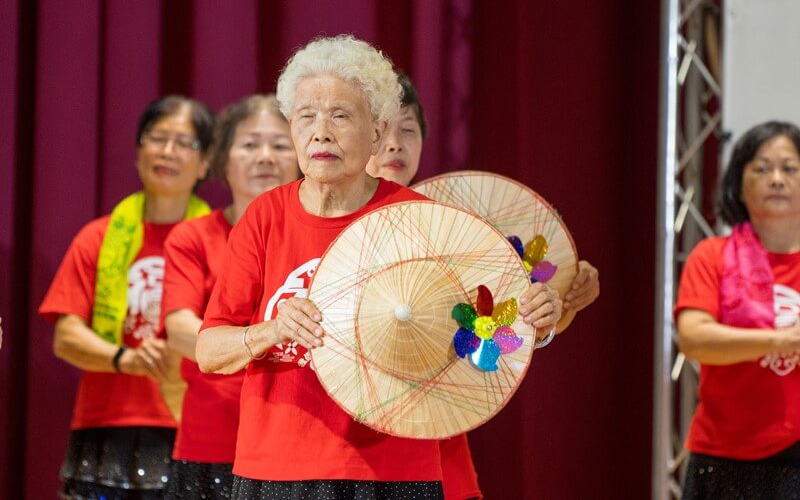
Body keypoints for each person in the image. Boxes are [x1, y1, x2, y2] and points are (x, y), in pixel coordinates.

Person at [195, 35, 564, 500]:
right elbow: (209, 350)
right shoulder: (265, 217)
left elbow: (489, 325)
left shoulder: (419, 216)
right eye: (305, 116)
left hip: (395, 469)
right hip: (276, 466)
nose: (320, 132)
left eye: (341, 115)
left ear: (377, 130)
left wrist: (538, 319)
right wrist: (269, 330)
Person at [366, 72, 600, 500]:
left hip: (438, 452)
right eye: (382, 129)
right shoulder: (329, 227)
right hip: (350, 456)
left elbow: (500, 327)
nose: (395, 143)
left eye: (409, 129)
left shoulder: (458, 227)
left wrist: (556, 307)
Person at [39, 96, 215, 499]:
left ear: (206, 163)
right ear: (139, 149)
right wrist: (124, 359)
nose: (167, 152)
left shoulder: (220, 242)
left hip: (192, 427)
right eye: (157, 138)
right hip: (106, 424)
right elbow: (66, 337)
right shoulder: (99, 237)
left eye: (184, 143)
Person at [160, 94, 301, 499]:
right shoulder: (193, 237)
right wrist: (269, 335)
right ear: (222, 159)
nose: (265, 157)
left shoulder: (321, 235)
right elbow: (180, 329)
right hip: (212, 439)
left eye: (279, 144)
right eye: (250, 144)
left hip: (295, 438)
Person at [676, 121, 800, 499]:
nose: (777, 179)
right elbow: (694, 339)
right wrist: (784, 340)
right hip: (723, 460)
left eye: (790, 168)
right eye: (762, 168)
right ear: (738, 184)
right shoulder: (711, 256)